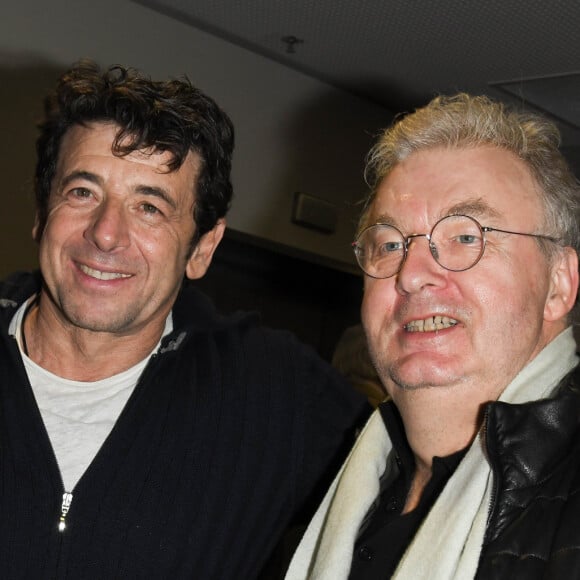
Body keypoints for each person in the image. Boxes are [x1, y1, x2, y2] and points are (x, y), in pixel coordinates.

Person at [0, 60, 368, 579]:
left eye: (149, 206)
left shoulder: (277, 392)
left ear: (203, 248)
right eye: (82, 192)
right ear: (43, 213)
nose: (106, 233)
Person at [285, 93, 580, 579]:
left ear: (558, 283)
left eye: (467, 236)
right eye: (390, 244)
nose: (411, 274)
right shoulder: (314, 488)